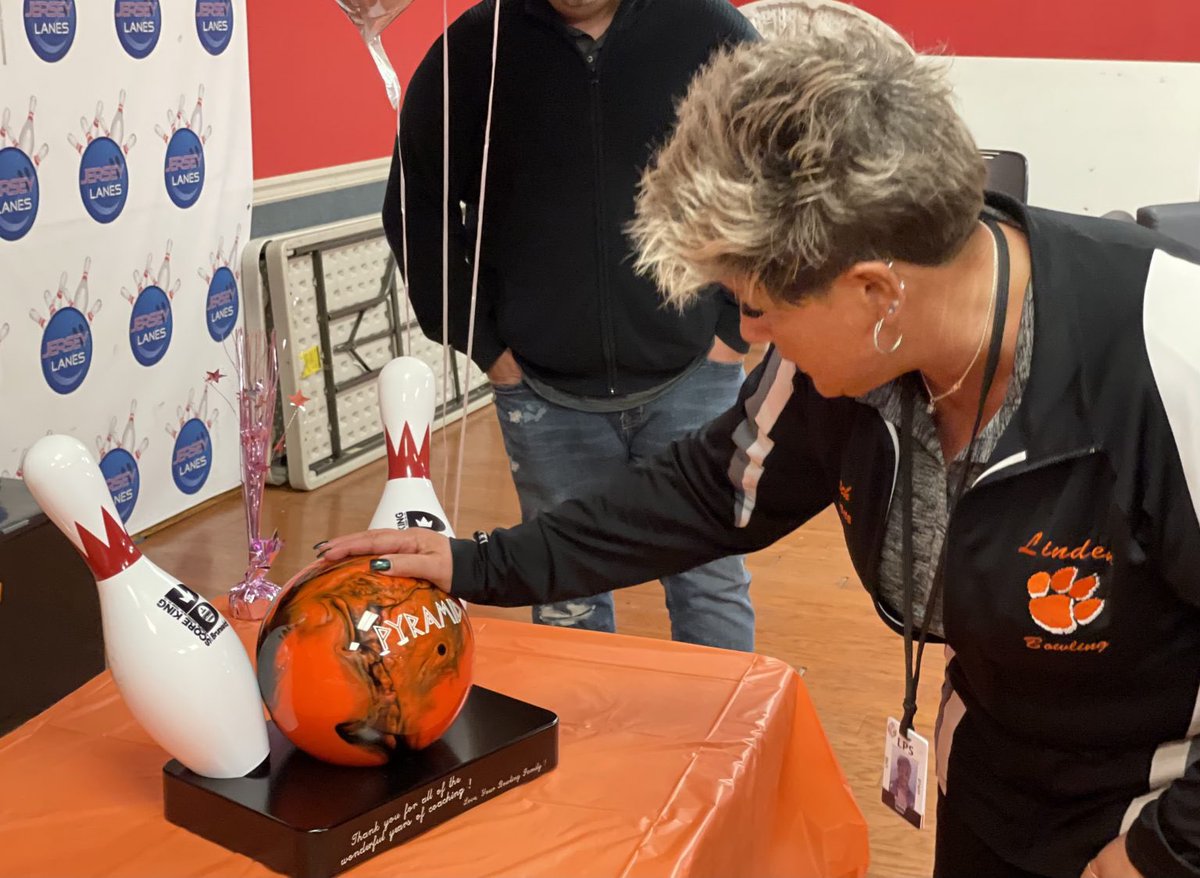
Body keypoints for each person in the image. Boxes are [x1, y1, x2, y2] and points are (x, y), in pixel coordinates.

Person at [331, 24, 1200, 878]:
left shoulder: (1168, 349)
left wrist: (1158, 853)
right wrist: (476, 562)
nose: (748, 332)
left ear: (873, 292)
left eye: (757, 306)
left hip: (1159, 804)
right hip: (994, 775)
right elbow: (705, 494)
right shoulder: (853, 363)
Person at [382, 0, 759, 650]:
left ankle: (733, 742)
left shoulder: (710, 31)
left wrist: (737, 324)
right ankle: (577, 748)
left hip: (694, 376)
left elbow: (777, 175)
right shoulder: (474, 50)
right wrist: (485, 345)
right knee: (564, 594)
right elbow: (417, 206)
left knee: (710, 581)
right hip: (543, 395)